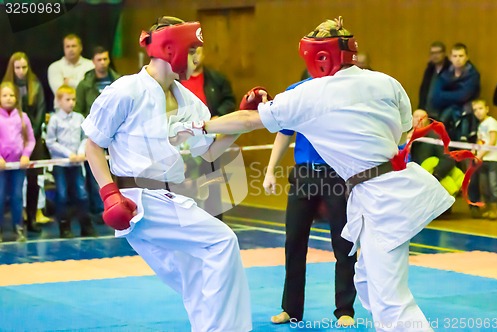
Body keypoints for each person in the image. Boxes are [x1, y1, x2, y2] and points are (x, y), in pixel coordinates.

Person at [177, 17, 455, 331]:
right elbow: (405, 128)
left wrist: (201, 125)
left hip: (379, 198)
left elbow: (245, 121)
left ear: (319, 57)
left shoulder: (311, 94)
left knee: (390, 297)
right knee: (371, 284)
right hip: (389, 189)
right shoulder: (385, 82)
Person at [81, 16, 251, 332]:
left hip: (171, 196)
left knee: (196, 278)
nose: (195, 57)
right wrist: (108, 194)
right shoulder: (126, 90)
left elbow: (210, 151)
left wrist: (239, 115)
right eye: (191, 50)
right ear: (170, 48)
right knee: (222, 242)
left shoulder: (187, 98)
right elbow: (92, 145)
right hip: (140, 200)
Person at [263, 81, 356, 325]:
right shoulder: (296, 92)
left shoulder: (344, 91)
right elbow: (283, 132)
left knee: (343, 242)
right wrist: (270, 170)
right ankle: (290, 308)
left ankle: (345, 309)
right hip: (304, 174)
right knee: (293, 241)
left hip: (336, 173)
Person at [181, 46, 237, 220]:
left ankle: (215, 221)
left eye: (198, 52)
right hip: (182, 139)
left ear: (203, 53)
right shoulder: (176, 79)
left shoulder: (216, 80)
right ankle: (184, 220)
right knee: (183, 184)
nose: (195, 56)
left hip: (209, 138)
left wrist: (217, 117)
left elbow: (229, 101)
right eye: (191, 52)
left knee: (212, 182)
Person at [2, 52, 49, 232]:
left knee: (33, 181)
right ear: (12, 69)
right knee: (9, 185)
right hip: (9, 141)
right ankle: (13, 221)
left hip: (31, 139)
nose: (21, 71)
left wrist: (31, 135)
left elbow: (40, 111)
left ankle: (31, 218)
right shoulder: (5, 88)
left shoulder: (35, 85)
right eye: (18, 68)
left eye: (24, 67)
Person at [75, 46, 121, 225]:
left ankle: (116, 207)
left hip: (116, 133)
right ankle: (99, 209)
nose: (102, 63)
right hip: (93, 134)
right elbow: (78, 110)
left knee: (115, 171)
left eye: (105, 59)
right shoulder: (84, 85)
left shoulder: (118, 81)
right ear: (93, 62)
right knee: (93, 174)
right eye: (99, 59)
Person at [46, 85, 96, 238]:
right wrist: (68, 154)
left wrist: (81, 152)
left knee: (82, 194)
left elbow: (85, 137)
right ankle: (64, 227)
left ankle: (86, 226)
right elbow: (50, 142)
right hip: (61, 163)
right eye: (68, 99)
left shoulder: (79, 117)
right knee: (62, 195)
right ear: (59, 101)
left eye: (73, 99)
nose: (71, 102)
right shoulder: (54, 120)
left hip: (76, 163)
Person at [0, 81, 36, 242]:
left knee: (16, 196)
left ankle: (18, 227)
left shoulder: (23, 117)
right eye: (4, 95)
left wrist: (26, 155)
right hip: (1, 167)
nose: (8, 98)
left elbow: (31, 140)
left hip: (18, 166)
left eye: (11, 95)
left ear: (17, 98)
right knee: (0, 196)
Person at [430, 43, 480, 141]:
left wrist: (444, 96)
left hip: (466, 116)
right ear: (450, 58)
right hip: (445, 115)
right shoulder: (445, 74)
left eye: (461, 56)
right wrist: (455, 96)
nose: (458, 59)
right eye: (455, 56)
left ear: (467, 57)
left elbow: (463, 96)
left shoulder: (473, 75)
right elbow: (435, 97)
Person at [47, 34, 94, 109]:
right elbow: (60, 92)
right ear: (64, 48)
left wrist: (69, 82)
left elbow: (89, 90)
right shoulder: (54, 67)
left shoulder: (90, 65)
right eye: (68, 46)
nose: (71, 49)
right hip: (61, 113)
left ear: (80, 47)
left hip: (85, 110)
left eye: (74, 46)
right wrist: (81, 84)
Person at [472, 99, 497, 220]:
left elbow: (492, 141)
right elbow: (480, 140)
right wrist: (475, 151)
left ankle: (495, 210)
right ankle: (489, 208)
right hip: (482, 159)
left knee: (493, 185)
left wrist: (480, 154)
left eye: (481, 108)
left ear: (487, 109)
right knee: (484, 186)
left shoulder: (492, 122)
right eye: (475, 110)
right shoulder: (481, 125)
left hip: (493, 159)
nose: (478, 112)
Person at [418, 41, 451, 116]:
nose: (435, 56)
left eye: (438, 52)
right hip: (428, 112)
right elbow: (423, 90)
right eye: (432, 53)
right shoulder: (429, 69)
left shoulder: (451, 69)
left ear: (444, 53)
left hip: (444, 113)